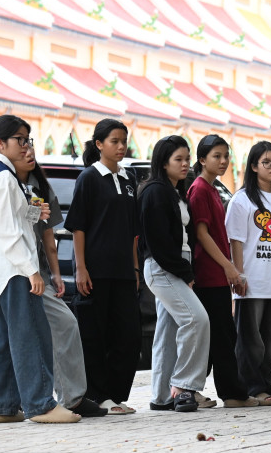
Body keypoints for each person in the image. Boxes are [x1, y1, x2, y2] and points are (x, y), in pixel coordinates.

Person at [0, 115, 80, 424]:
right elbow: (8, 232)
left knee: (5, 340)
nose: (26, 145)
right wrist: (32, 270)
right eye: (20, 139)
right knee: (32, 336)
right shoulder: (4, 177)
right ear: (1, 143)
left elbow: (12, 222)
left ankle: (1, 406)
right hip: (12, 271)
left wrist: (34, 212)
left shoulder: (0, 175)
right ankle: (41, 404)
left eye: (28, 139)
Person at [17, 146, 106, 417]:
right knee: (17, 336)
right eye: (21, 145)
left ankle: (69, 397)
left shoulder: (39, 189)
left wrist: (54, 275)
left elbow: (48, 238)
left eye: (30, 146)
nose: (28, 151)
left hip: (35, 272)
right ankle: (18, 401)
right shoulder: (3, 182)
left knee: (62, 325)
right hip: (14, 272)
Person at [65, 119, 141, 415]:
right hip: (96, 270)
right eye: (114, 141)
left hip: (123, 271)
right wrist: (81, 268)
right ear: (99, 145)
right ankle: (99, 397)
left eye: (124, 141)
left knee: (129, 336)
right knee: (95, 336)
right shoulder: (89, 178)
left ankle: (116, 395)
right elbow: (79, 227)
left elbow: (132, 231)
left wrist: (134, 269)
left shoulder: (128, 179)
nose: (121, 147)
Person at [224, 141, 271, 405]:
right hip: (253, 280)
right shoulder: (242, 199)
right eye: (266, 162)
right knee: (250, 339)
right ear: (254, 166)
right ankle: (253, 388)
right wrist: (238, 276)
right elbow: (235, 241)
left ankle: (267, 384)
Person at [139, 135, 211, 412]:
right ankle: (183, 385)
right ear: (163, 162)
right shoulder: (154, 191)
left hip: (173, 265)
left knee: (167, 332)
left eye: (186, 159)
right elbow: (157, 243)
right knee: (197, 320)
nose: (185, 165)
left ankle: (161, 396)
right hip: (164, 267)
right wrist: (185, 271)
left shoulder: (172, 191)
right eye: (178, 159)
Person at [188, 135, 257, 408]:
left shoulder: (213, 188)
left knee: (221, 336)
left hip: (216, 274)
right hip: (208, 274)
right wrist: (229, 267)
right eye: (216, 156)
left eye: (226, 156)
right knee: (221, 338)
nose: (223, 161)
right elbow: (202, 234)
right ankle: (230, 394)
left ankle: (224, 392)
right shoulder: (200, 189)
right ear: (202, 159)